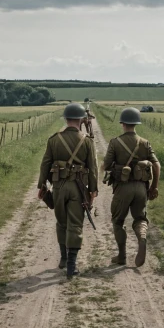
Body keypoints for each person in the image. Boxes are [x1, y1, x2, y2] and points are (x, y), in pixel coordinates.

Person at [38, 103, 98, 278]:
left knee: (61, 222)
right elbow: (93, 168)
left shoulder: (54, 139)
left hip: (58, 188)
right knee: (75, 225)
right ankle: (72, 265)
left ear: (65, 118)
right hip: (78, 189)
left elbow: (45, 165)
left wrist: (42, 186)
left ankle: (64, 258)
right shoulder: (86, 141)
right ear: (81, 120)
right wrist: (93, 191)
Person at [102, 107, 161, 267]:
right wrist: (154, 187)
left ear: (122, 123)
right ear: (136, 123)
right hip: (142, 188)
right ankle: (142, 238)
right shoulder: (145, 142)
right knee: (140, 218)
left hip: (123, 188)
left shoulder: (115, 142)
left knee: (117, 221)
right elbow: (157, 165)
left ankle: (122, 256)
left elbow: (106, 165)